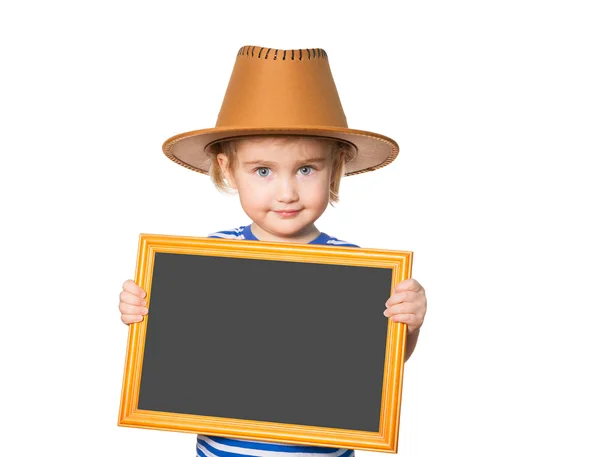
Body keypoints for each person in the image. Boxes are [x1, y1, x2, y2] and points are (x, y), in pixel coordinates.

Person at [118, 45, 427, 457]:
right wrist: (142, 315)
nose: (287, 193)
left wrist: (408, 328)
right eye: (263, 170)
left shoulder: (355, 268)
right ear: (228, 169)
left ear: (334, 168)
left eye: (307, 169)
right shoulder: (207, 260)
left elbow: (375, 369)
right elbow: (178, 352)